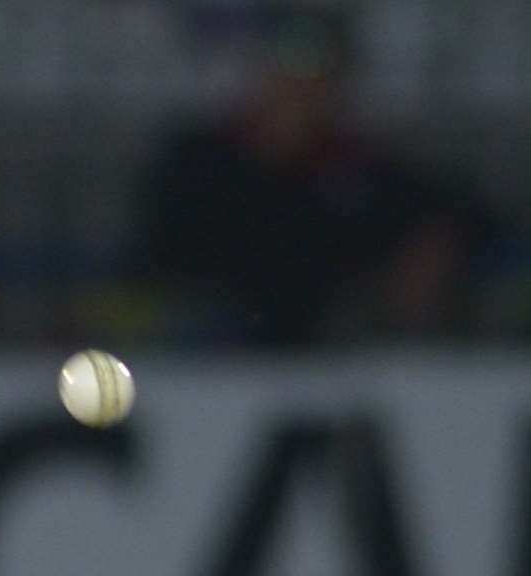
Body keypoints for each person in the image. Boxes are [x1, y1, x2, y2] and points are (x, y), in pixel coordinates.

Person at [139, 6, 494, 347]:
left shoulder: (360, 169)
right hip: (211, 356)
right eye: (286, 78)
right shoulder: (199, 159)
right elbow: (160, 253)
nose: (299, 96)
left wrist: (433, 246)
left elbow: (466, 212)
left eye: (316, 82)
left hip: (331, 359)